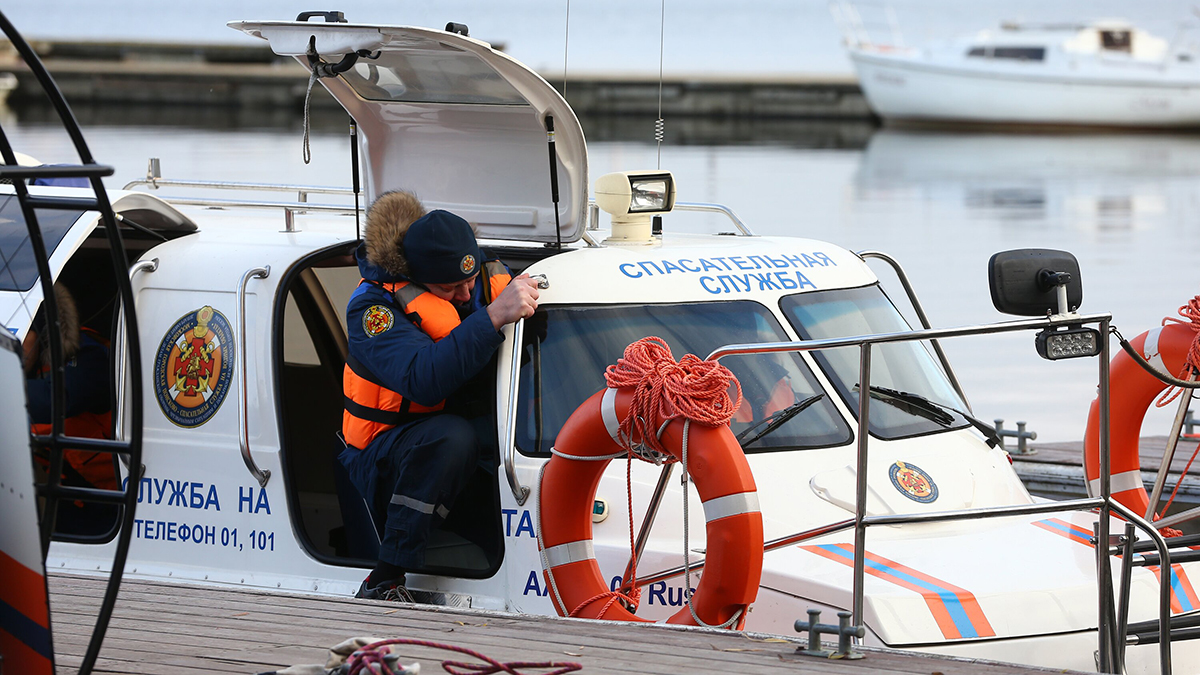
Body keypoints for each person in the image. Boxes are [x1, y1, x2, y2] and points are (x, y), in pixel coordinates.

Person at [340, 190, 540, 601]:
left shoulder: (481, 282)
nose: (467, 295)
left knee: (514, 444)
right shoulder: (373, 310)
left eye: (470, 282)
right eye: (451, 288)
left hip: (465, 440)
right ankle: (385, 576)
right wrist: (492, 317)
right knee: (451, 437)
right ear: (417, 277)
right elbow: (423, 379)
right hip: (386, 454)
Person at [25, 283, 117, 534]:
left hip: (114, 499)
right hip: (70, 494)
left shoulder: (87, 355)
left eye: (19, 337)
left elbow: (55, 400)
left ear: (41, 331)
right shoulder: (29, 370)